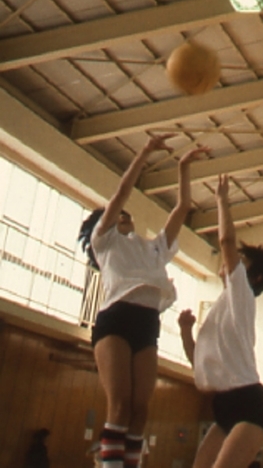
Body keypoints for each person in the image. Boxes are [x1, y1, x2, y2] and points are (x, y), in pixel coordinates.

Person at [78, 135, 208, 468]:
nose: (125, 215)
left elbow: (182, 208)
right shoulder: (106, 242)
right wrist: (146, 152)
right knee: (120, 405)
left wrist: (183, 167)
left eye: (126, 215)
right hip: (116, 321)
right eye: (117, 215)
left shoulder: (154, 249)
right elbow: (123, 191)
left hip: (148, 325)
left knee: (140, 410)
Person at [178, 174, 263, 468]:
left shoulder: (242, 294)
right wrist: (185, 331)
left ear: (255, 277)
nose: (229, 264)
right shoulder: (221, 309)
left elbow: (227, 240)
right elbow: (198, 364)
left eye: (240, 263)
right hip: (222, 407)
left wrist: (222, 201)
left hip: (250, 405)